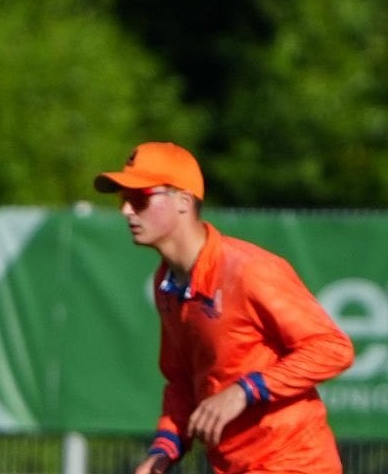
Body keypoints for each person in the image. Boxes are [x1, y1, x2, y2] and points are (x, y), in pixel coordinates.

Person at [92, 141, 355, 474]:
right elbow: (181, 382)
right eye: (123, 199)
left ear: (183, 201)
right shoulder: (167, 285)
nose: (127, 210)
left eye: (140, 197)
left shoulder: (248, 270)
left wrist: (244, 391)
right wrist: (162, 453)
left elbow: (332, 348)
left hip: (294, 463)